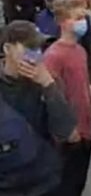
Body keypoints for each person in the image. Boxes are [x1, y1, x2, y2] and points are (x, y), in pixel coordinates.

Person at [0, 20, 76, 196]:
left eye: (38, 49)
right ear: (7, 49)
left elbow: (66, 132)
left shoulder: (48, 81)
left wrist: (48, 85)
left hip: (43, 180)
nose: (35, 55)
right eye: (29, 47)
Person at [44, 0, 91, 196]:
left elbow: (82, 85)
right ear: (62, 22)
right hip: (70, 135)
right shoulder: (53, 56)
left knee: (78, 185)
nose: (82, 22)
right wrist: (67, 129)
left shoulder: (80, 51)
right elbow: (51, 95)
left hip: (86, 130)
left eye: (83, 17)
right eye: (76, 17)